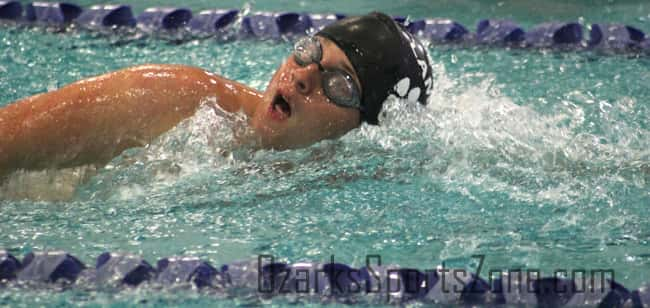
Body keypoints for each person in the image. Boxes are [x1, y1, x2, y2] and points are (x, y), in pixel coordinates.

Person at [0, 12, 433, 180]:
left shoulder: (345, 177)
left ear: (364, 127)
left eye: (338, 85)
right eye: (309, 52)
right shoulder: (179, 100)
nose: (303, 78)